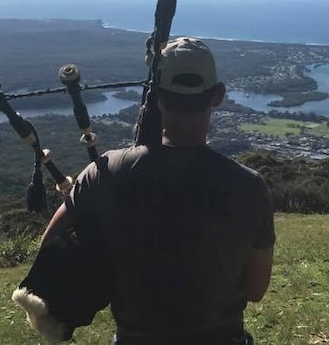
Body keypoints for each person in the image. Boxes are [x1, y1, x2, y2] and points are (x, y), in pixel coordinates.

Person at [37, 36, 275, 345]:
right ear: (218, 96)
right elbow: (256, 289)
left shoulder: (106, 171)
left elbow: (51, 247)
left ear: (156, 97)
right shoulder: (249, 187)